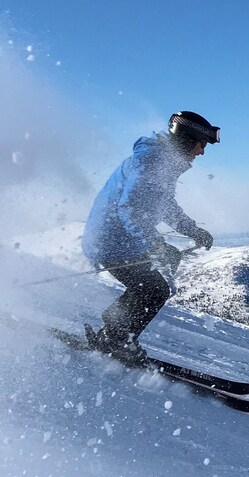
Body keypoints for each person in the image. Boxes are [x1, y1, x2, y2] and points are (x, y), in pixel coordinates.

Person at [81, 111, 219, 365]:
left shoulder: (160, 161)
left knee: (149, 287)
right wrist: (155, 245)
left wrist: (191, 230)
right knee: (154, 290)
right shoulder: (152, 162)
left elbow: (163, 204)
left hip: (119, 239)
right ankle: (116, 340)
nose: (201, 152)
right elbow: (130, 208)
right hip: (112, 241)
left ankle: (113, 331)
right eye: (201, 144)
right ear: (187, 140)